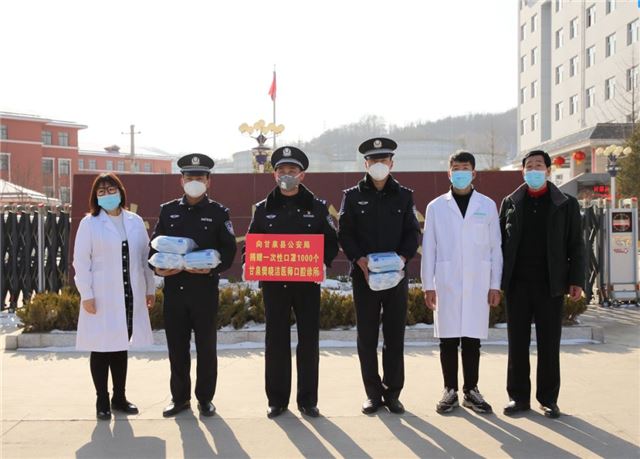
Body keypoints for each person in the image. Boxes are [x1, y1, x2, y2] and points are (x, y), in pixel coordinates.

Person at [245, 146, 339, 419]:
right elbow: (251, 243)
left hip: (307, 285)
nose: (287, 174)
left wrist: (323, 262)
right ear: (274, 175)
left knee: (308, 341)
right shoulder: (263, 209)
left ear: (302, 175)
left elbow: (332, 242)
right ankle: (277, 400)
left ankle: (308, 400)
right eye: (282, 170)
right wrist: (249, 261)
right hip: (274, 285)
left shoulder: (317, 207)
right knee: (276, 341)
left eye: (292, 170)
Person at [150, 153, 237, 418]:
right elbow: (154, 246)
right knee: (177, 348)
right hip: (175, 289)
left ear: (208, 181)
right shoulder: (168, 211)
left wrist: (212, 267)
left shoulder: (219, 213)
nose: (194, 182)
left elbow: (229, 250)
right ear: (181, 181)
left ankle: (205, 399)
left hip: (204, 290)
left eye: (199, 177)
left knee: (206, 348)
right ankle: (179, 398)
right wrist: (158, 268)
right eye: (189, 178)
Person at [338, 137, 421, 415]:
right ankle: (373, 394)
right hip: (365, 276)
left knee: (395, 336)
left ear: (391, 163)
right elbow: (345, 233)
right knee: (367, 337)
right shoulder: (352, 196)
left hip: (396, 276)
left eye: (383, 160)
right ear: (366, 164)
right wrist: (358, 258)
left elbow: (413, 232)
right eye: (373, 160)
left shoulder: (404, 195)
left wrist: (403, 258)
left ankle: (393, 393)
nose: (378, 164)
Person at [499, 150, 584, 419]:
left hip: (550, 284)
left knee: (549, 343)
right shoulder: (510, 203)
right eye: (529, 166)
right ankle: (518, 397)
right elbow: (499, 244)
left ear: (548, 170)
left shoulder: (566, 204)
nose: (534, 170)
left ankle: (548, 399)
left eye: (539, 165)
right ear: (522, 171)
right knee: (517, 343)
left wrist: (576, 280)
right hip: (518, 284)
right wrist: (496, 281)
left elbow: (576, 244)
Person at [420, 151, 503, 414]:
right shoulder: (436, 207)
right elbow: (429, 248)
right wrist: (428, 285)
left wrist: (495, 284)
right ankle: (450, 390)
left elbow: (495, 248)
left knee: (472, 339)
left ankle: (471, 390)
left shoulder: (487, 205)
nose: (460, 173)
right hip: (446, 281)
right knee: (447, 338)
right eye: (456, 169)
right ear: (449, 173)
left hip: (478, 282)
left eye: (465, 168)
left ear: (474, 173)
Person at [74, 173, 156, 420]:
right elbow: (81, 261)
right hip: (101, 295)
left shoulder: (135, 221)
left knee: (121, 345)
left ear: (120, 192)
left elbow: (144, 259)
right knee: (101, 348)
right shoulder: (89, 224)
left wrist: (149, 289)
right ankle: (102, 399)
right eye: (101, 192)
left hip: (129, 295)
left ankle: (119, 397)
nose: (107, 195)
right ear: (95, 197)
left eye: (111, 190)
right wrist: (86, 294)